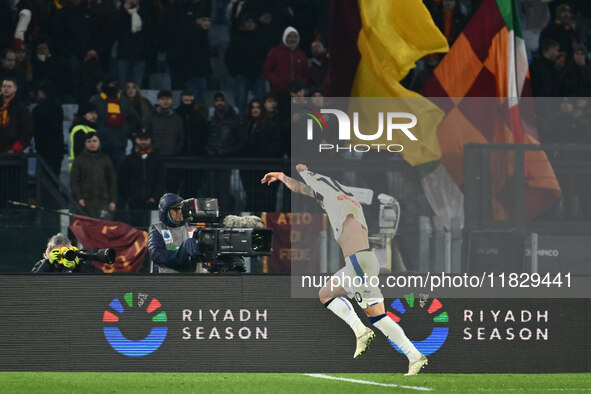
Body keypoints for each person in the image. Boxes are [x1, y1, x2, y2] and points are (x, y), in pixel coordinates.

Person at [260, 164, 428, 375]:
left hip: (359, 264)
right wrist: (283, 177)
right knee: (326, 294)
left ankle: (414, 355)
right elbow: (308, 191)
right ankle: (360, 331)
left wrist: (303, 171)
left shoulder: (332, 196)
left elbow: (312, 186)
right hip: (356, 262)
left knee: (377, 316)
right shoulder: (345, 200)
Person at [118, 127, 165, 228]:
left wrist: (155, 197)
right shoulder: (129, 159)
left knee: (153, 229)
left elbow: (161, 180)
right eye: (140, 139)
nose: (143, 141)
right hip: (134, 202)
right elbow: (123, 181)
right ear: (136, 140)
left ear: (150, 140)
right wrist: (129, 198)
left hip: (152, 202)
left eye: (146, 139)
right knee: (135, 228)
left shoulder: (157, 159)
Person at [148, 193, 201, 273]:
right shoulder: (157, 229)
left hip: (190, 282)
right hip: (164, 281)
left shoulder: (192, 228)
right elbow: (156, 254)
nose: (180, 212)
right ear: (166, 211)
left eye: (181, 209)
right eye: (176, 209)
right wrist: (182, 254)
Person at [70, 132, 117, 219]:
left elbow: (112, 181)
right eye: (89, 141)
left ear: (99, 142)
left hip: (104, 201)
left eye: (94, 141)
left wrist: (113, 201)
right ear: (85, 143)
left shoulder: (105, 159)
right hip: (86, 201)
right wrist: (79, 198)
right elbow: (74, 181)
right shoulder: (79, 160)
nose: (92, 143)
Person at [32, 80, 64, 176]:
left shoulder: (38, 110)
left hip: (43, 149)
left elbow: (35, 130)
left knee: (44, 176)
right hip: (57, 149)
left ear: (42, 92)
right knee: (54, 176)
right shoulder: (58, 106)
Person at [143, 89, 184, 156]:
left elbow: (181, 136)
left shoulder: (177, 118)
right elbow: (145, 135)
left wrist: (176, 150)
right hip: (154, 155)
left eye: (167, 99)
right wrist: (151, 150)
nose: (165, 101)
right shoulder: (150, 117)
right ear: (158, 101)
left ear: (171, 101)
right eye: (162, 99)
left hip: (172, 155)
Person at [0, 77, 33, 153]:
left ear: (15, 89)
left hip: (14, 153)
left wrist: (15, 149)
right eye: (4, 86)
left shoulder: (22, 109)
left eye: (9, 86)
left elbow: (27, 131)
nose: (6, 89)